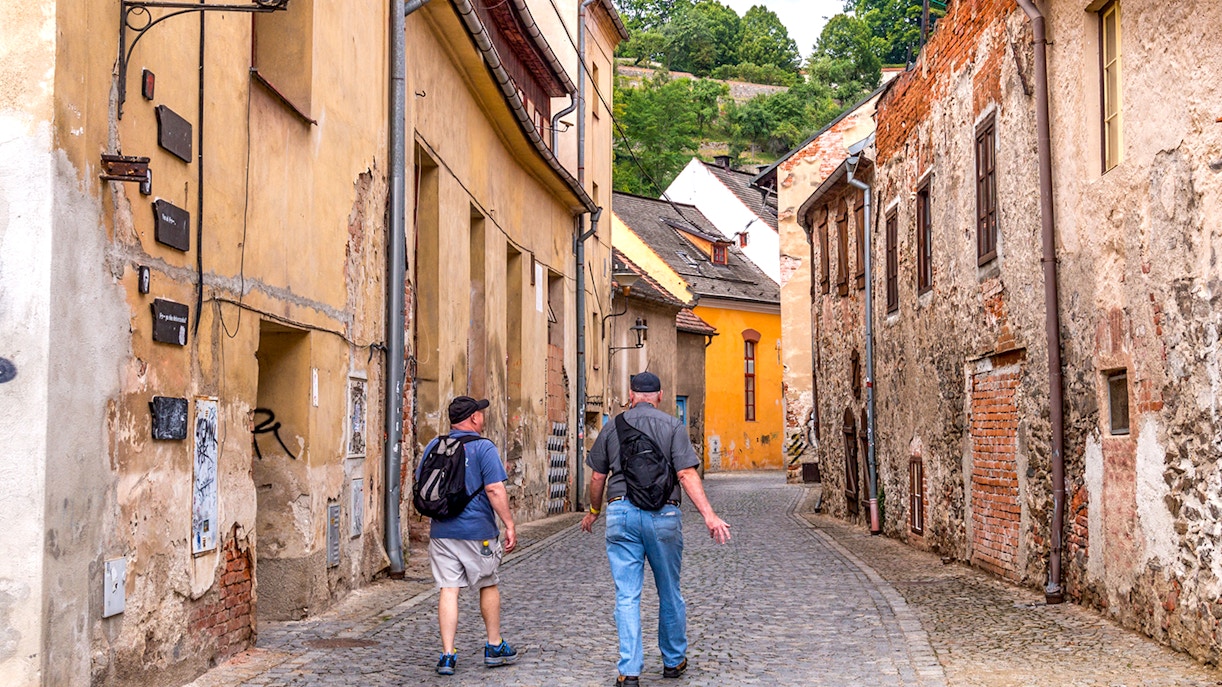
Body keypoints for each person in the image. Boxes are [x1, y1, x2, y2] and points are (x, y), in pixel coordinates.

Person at [581, 372, 732, 686]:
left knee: (627, 595)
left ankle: (629, 671)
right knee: (669, 591)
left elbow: (597, 478)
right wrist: (709, 516)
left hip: (621, 512)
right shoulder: (673, 426)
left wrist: (594, 511)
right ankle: (673, 661)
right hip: (663, 514)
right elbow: (687, 474)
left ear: (631, 394)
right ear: (660, 395)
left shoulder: (612, 426)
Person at [416, 396, 518, 675]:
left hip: (442, 531)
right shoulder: (484, 447)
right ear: (474, 418)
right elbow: (495, 489)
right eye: (480, 414)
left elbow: (421, 482)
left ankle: (448, 655)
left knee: (449, 588)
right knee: (488, 583)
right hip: (478, 533)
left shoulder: (434, 446)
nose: (483, 418)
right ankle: (494, 645)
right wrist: (509, 523)